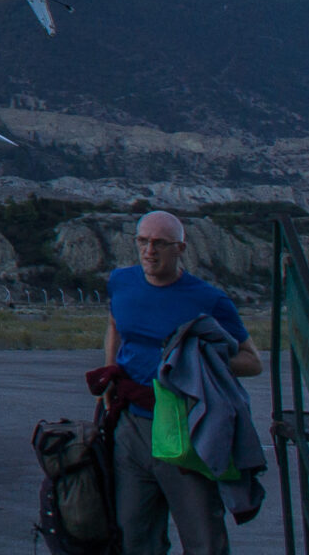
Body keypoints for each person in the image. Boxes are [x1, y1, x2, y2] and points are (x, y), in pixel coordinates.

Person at [105, 210, 261, 555]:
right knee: (132, 535)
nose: (149, 251)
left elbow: (252, 361)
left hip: (186, 430)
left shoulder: (208, 300)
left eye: (159, 243)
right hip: (132, 426)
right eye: (142, 241)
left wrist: (197, 363)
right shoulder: (121, 281)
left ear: (181, 248)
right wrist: (109, 373)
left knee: (203, 537)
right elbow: (116, 324)